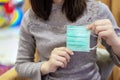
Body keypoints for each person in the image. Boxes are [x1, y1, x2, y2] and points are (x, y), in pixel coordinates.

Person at [15, 0, 120, 80]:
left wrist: (115, 41)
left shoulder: (97, 10)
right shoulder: (30, 18)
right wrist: (46, 66)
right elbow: (21, 65)